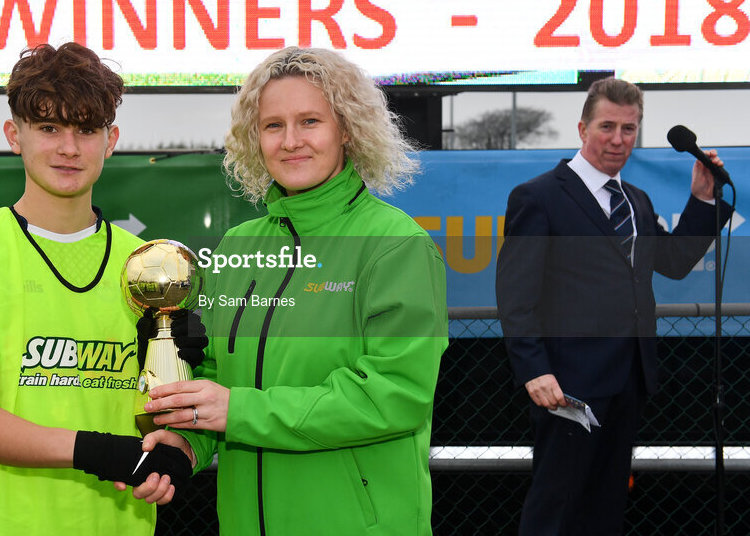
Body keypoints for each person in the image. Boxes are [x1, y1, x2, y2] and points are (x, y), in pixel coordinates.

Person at [136, 47, 449, 535]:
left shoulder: (397, 245)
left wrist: (236, 410)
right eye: (273, 125)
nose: (291, 141)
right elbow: (218, 374)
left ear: (347, 129)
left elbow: (393, 396)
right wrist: (183, 442)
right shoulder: (239, 246)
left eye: (310, 121)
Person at [0, 42, 195, 536]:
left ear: (110, 140)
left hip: (117, 524)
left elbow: (156, 411)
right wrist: (98, 451)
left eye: (86, 129)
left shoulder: (148, 266)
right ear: (15, 135)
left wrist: (175, 440)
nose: (68, 148)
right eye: (49, 127)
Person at [495, 77, 734, 536]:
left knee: (604, 510)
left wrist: (703, 199)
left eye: (629, 128)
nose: (618, 139)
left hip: (628, 379)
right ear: (582, 128)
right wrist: (533, 370)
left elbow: (674, 262)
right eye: (607, 126)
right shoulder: (539, 196)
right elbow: (515, 295)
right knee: (556, 507)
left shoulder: (637, 201)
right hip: (567, 386)